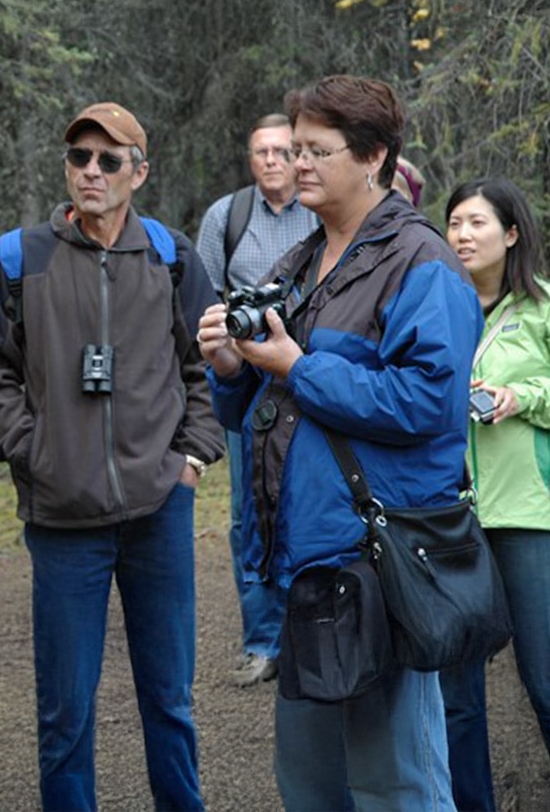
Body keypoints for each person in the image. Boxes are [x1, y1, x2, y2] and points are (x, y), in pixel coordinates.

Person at [197, 75, 482, 811]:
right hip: (305, 566)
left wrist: (300, 365)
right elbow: (267, 404)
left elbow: (427, 403)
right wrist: (234, 367)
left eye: (317, 151)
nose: (298, 166)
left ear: (375, 157)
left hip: (379, 564)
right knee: (311, 786)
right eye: (294, 149)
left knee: (396, 785)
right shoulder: (299, 262)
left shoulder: (422, 264)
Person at [0, 101, 225, 812]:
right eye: (80, 157)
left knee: (169, 699)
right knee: (65, 713)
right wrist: (31, 449)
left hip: (157, 513)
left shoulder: (170, 257)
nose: (91, 171)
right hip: (62, 518)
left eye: (110, 159)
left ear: (139, 171)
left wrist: (191, 461)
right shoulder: (21, 257)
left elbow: (205, 365)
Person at [440, 177, 550, 812]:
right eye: (455, 222)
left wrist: (528, 396)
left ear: (511, 233)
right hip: (451, 518)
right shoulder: (437, 307)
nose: (462, 234)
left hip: (532, 514)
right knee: (456, 693)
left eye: (477, 223)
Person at [196, 113, 317, 687]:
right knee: (250, 515)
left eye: (281, 151)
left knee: (309, 504)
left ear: (298, 156)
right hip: (248, 391)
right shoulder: (227, 216)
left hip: (310, 382)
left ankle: (312, 633)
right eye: (260, 152)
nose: (271, 161)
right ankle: (262, 642)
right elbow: (202, 299)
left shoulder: (321, 210)